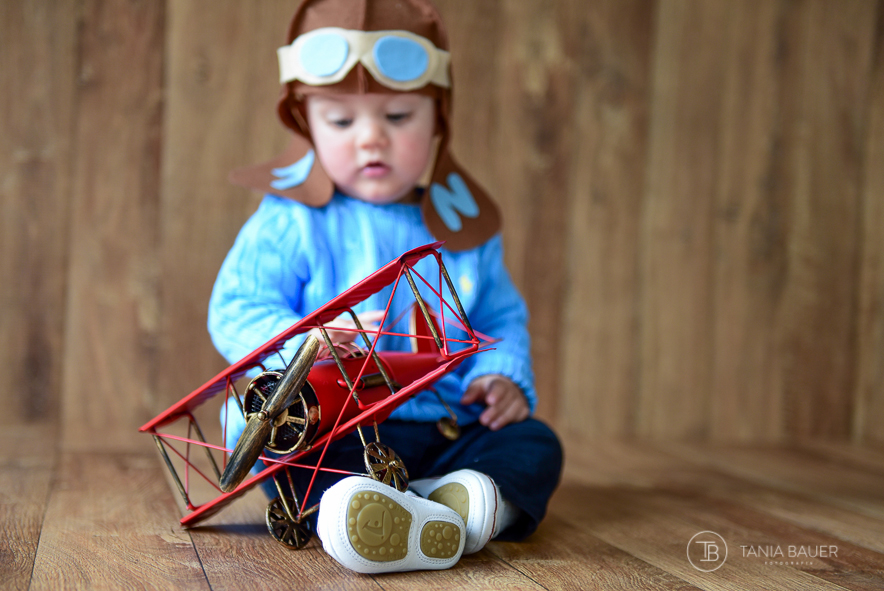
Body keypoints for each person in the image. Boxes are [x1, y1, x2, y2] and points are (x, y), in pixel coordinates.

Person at [208, 0, 562, 574]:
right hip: (335, 429)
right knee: (287, 456)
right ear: (306, 123)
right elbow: (236, 306)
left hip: (444, 428)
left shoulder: (461, 228)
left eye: (398, 117)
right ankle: (374, 509)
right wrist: (309, 341)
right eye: (342, 122)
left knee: (536, 444)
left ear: (437, 120)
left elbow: (499, 318)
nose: (371, 139)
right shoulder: (292, 219)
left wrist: (505, 376)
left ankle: (467, 504)